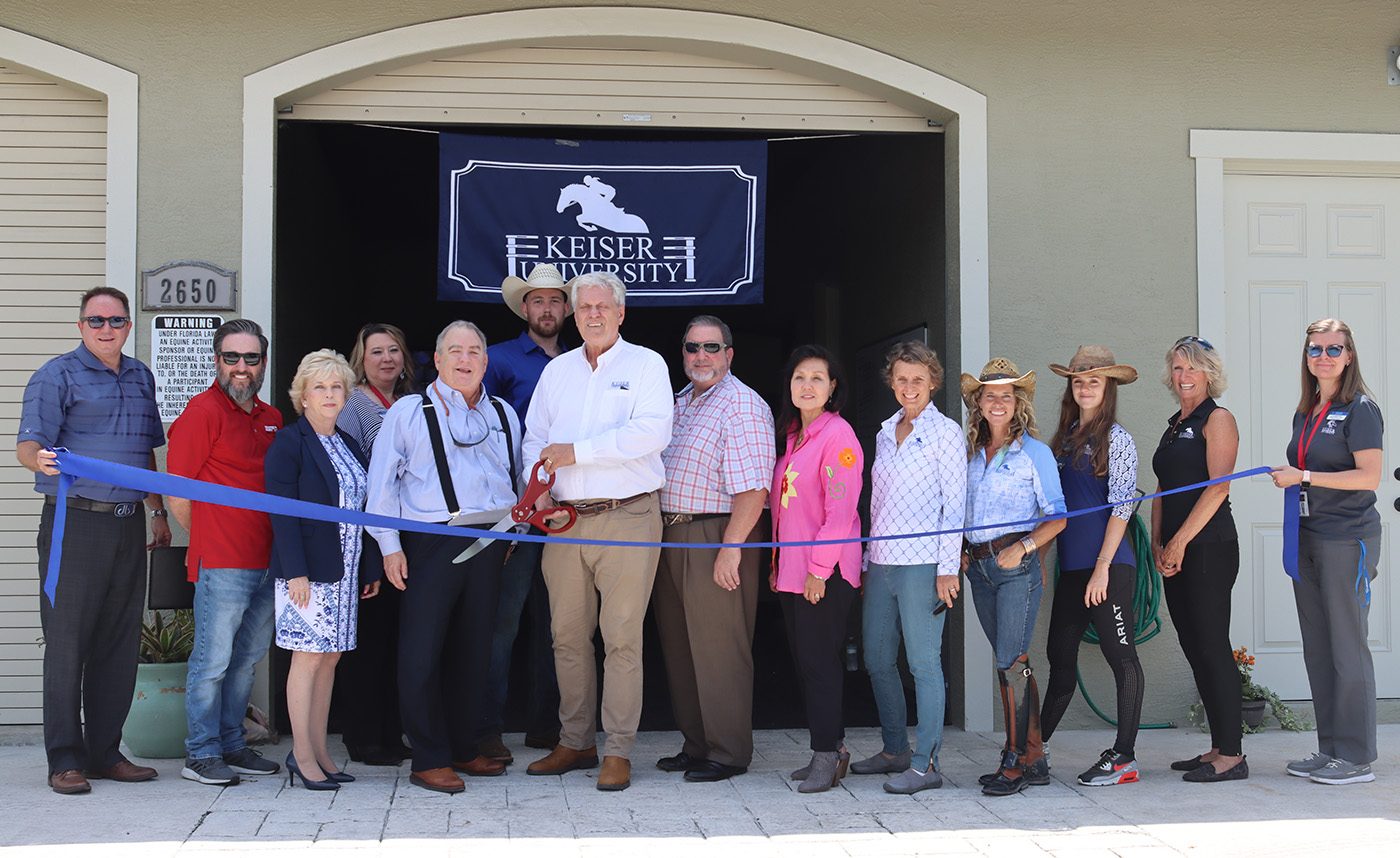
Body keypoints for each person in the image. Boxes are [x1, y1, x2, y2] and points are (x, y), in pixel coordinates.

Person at [16, 286, 170, 795]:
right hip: (74, 523)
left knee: (119, 643)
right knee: (67, 644)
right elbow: (29, 443)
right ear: (81, 326)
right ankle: (64, 759)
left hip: (129, 522)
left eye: (117, 321)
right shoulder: (55, 374)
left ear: (129, 326)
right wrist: (36, 459)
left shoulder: (142, 375)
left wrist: (158, 511)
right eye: (96, 321)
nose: (107, 329)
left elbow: (146, 452)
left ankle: (105, 752)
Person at [522, 271, 672, 792]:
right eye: (583, 307)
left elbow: (651, 431)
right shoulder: (557, 371)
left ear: (620, 313)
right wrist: (536, 486)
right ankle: (576, 741)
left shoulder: (646, 364)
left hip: (627, 515)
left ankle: (618, 750)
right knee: (566, 636)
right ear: (573, 314)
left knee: (622, 637)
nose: (592, 315)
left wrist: (576, 453)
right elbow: (534, 438)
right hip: (563, 519)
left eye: (601, 307)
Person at [365, 320, 521, 794]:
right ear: (437, 359)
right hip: (430, 540)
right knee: (422, 653)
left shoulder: (504, 413)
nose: (465, 359)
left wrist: (516, 530)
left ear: (486, 361)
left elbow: (513, 477)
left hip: (492, 542)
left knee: (475, 650)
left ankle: (463, 746)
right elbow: (381, 485)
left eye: (475, 350)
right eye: (455, 350)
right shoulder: (409, 412)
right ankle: (429, 757)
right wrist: (389, 547)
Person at [652, 315, 774, 783]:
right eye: (692, 347)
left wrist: (730, 549)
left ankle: (727, 751)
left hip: (716, 534)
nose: (700, 356)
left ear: (729, 354)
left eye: (711, 347)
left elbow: (753, 491)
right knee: (681, 646)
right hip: (672, 533)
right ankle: (697, 743)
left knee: (720, 647)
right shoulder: (680, 402)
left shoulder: (742, 405)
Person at [168, 318, 284, 787]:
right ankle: (200, 753)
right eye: (231, 357)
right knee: (212, 662)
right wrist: (213, 536)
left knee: (246, 661)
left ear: (263, 363)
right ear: (217, 360)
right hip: (222, 561)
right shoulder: (201, 412)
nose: (241, 367)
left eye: (250, 358)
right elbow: (177, 493)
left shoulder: (272, 417)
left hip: (268, 561)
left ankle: (233, 745)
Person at [1270, 319, 1383, 785]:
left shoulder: (1361, 410)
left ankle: (1356, 757)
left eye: (1334, 349)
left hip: (1346, 537)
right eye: (1315, 349)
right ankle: (1330, 748)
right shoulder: (1308, 409)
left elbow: (1368, 477)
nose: (1323, 356)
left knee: (1346, 647)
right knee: (1319, 648)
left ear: (1349, 355)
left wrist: (1306, 477)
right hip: (1308, 535)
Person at [850, 340, 965, 795]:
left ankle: (926, 763)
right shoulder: (884, 431)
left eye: (918, 379)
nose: (909, 386)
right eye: (901, 378)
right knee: (878, 660)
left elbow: (955, 505)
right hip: (881, 563)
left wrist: (947, 568)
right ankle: (895, 750)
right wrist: (864, 560)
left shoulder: (946, 434)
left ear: (933, 382)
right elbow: (876, 501)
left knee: (923, 663)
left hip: (924, 565)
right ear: (892, 382)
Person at [267, 350, 378, 790]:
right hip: (307, 575)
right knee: (308, 659)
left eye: (337, 387)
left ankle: (320, 752)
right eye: (320, 387)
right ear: (303, 396)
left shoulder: (348, 444)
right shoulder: (289, 443)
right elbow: (281, 514)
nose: (330, 395)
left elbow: (365, 512)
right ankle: (301, 755)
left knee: (329, 660)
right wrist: (295, 572)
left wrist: (368, 565)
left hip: (345, 573)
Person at [477, 263, 572, 763]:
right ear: (524, 307)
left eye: (556, 300)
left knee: (559, 624)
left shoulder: (584, 363)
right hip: (515, 513)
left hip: (568, 514)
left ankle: (549, 726)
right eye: (538, 300)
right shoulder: (497, 359)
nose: (547, 309)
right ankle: (488, 728)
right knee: (504, 623)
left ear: (566, 309)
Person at [961, 358, 1066, 797]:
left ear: (1017, 402)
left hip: (1016, 568)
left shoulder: (1035, 453)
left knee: (1011, 661)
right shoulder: (967, 454)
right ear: (979, 404)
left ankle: (1014, 760)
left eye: (1007, 395)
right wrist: (961, 553)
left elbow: (1058, 516)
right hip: (978, 570)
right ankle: (1034, 755)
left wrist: (1022, 548)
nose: (998, 402)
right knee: (1011, 661)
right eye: (990, 395)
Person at [1041, 346, 1145, 786]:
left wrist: (1103, 567)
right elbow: (1052, 511)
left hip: (1109, 567)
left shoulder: (1117, 440)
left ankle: (1124, 756)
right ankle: (1035, 746)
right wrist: (1044, 561)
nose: (1085, 388)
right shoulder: (1062, 441)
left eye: (1094, 381)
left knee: (1120, 656)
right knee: (1058, 656)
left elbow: (1121, 508)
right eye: (1079, 380)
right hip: (1072, 569)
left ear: (1109, 388)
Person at [1151, 336, 1245, 782]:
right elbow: (1162, 490)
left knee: (1213, 647)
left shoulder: (1218, 418)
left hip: (1208, 549)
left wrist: (1180, 542)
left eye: (1192, 368)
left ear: (1209, 373)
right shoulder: (1175, 424)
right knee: (1194, 650)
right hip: (1175, 551)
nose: (1184, 375)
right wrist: (1157, 543)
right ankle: (1216, 746)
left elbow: (1218, 487)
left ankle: (1233, 756)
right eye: (1177, 367)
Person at [771, 344, 863, 794]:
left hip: (824, 574)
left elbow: (840, 512)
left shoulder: (838, 436)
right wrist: (778, 565)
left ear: (832, 388)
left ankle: (828, 754)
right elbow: (785, 512)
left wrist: (818, 569)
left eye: (817, 378)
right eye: (799, 377)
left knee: (821, 664)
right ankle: (828, 749)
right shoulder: (792, 437)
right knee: (807, 664)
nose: (806, 386)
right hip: (793, 572)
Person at [336, 323, 415, 767]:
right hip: (366, 538)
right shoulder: (353, 404)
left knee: (394, 642)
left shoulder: (411, 403)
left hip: (404, 536)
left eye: (393, 350)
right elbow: (348, 471)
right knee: (366, 644)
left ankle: (390, 731)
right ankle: (363, 737)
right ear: (361, 361)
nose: (386, 359)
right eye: (376, 352)